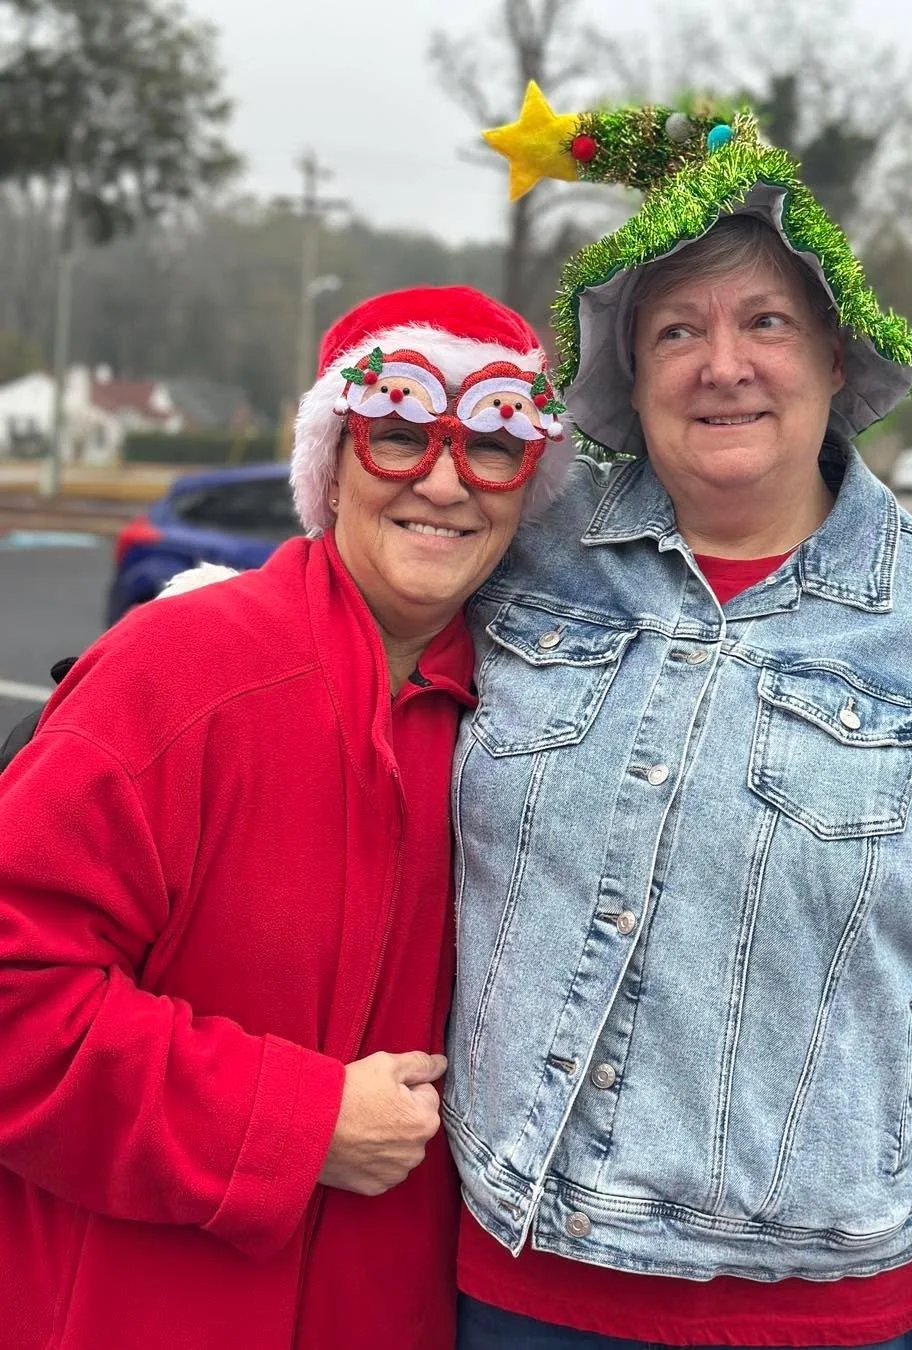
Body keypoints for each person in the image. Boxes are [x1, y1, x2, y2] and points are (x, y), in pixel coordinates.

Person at [446, 86, 912, 1350]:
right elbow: (354, 617)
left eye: (767, 322)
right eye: (676, 329)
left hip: (816, 1308)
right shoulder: (530, 555)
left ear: (835, 359)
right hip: (513, 1278)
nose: (723, 362)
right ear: (629, 374)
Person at [0, 284, 572, 1350]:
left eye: (494, 448)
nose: (445, 481)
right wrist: (295, 1124)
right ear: (333, 464)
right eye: (398, 434)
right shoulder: (174, 674)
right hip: (136, 1311)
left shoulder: (530, 732)